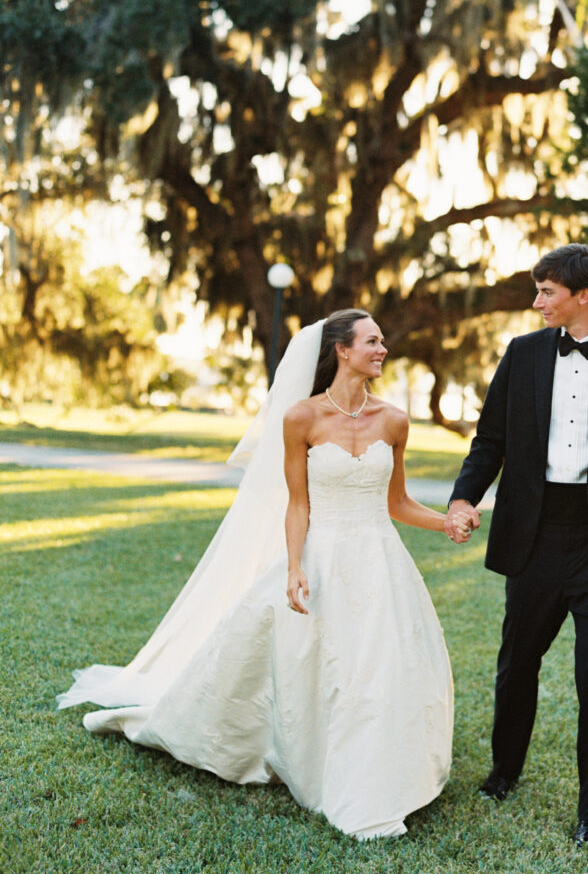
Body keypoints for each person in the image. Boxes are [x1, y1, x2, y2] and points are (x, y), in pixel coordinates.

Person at [58, 309, 470, 840]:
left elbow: (397, 502)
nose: (382, 349)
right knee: (318, 667)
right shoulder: (301, 418)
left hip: (381, 563)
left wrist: (447, 523)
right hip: (322, 557)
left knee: (379, 669)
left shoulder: (394, 420)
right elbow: (298, 505)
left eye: (382, 341)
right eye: (372, 341)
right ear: (341, 351)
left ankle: (373, 777)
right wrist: (295, 565)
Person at [444, 243, 588, 846]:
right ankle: (503, 772)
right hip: (535, 532)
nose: (537, 301)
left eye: (547, 291)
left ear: (584, 295)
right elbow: (488, 439)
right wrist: (464, 498)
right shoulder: (521, 354)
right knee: (518, 661)